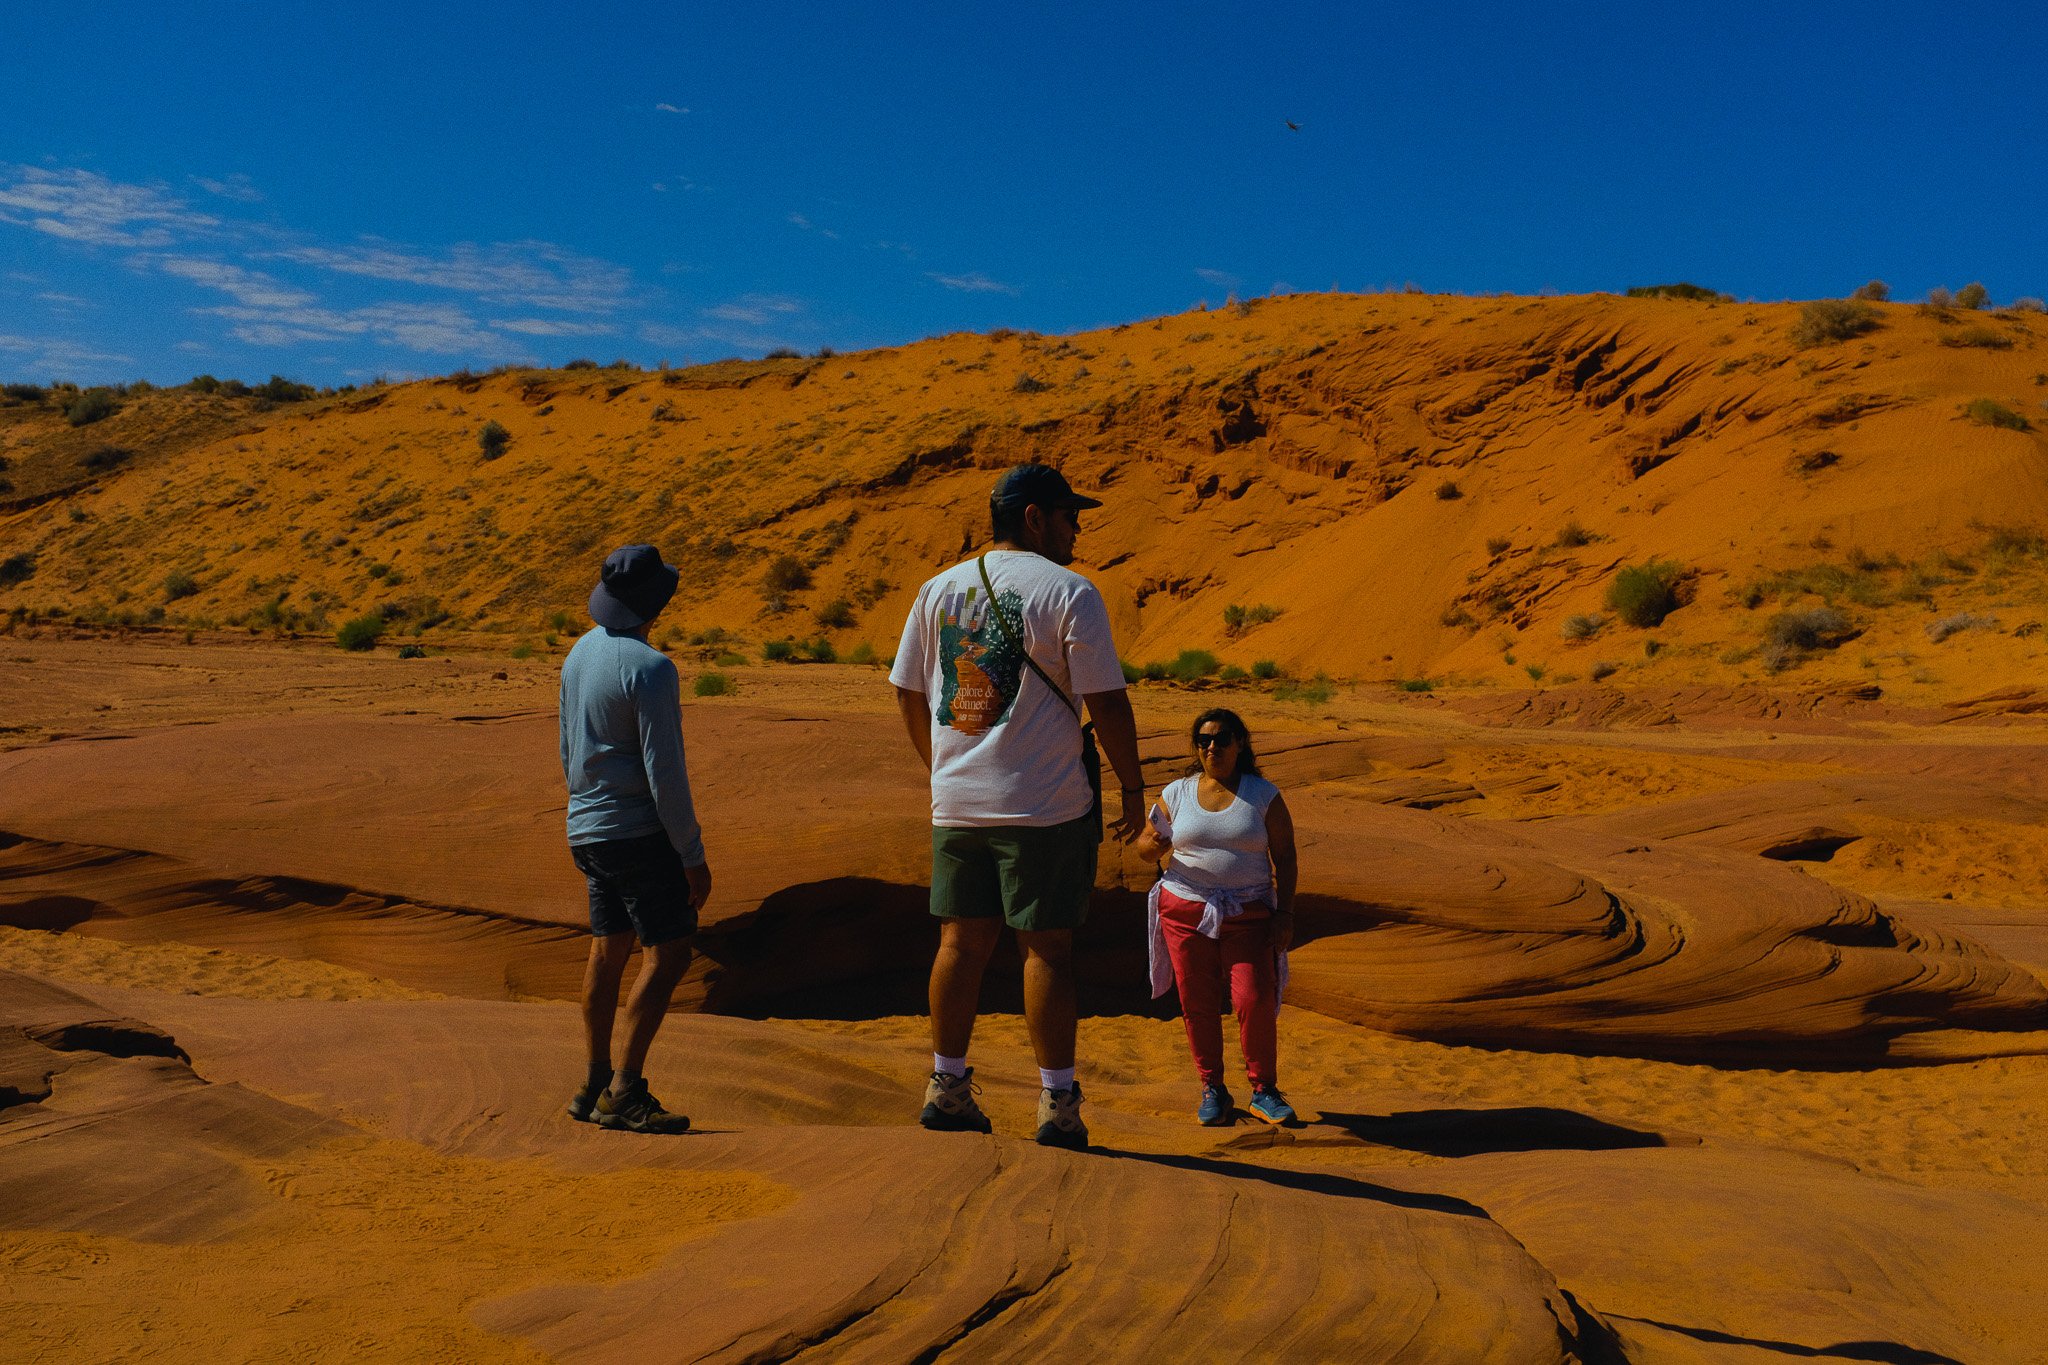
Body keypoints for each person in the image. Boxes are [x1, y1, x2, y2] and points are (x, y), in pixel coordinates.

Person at [889, 462, 1146, 1150]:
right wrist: (1132, 784)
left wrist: (940, 768)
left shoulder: (936, 588)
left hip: (959, 803)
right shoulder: (1070, 592)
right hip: (1044, 805)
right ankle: (1057, 1104)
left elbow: (908, 690)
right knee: (1050, 949)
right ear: (1033, 517)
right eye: (1068, 514)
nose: (1077, 526)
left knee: (959, 943)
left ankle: (946, 1088)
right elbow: (1107, 701)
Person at [559, 543, 713, 1135]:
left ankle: (595, 1081)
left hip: (588, 829)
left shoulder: (579, 655)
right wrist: (692, 856)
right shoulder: (650, 669)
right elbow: (664, 773)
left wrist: (586, 808)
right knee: (669, 951)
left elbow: (568, 747)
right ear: (657, 602)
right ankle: (625, 1090)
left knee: (608, 948)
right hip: (636, 832)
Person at [1134, 708, 1298, 1126]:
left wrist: (1285, 913)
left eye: (1222, 739)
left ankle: (1263, 1090)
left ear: (1240, 744)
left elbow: (1285, 856)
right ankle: (1213, 1088)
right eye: (1204, 740)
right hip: (1185, 909)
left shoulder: (1263, 795)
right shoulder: (1176, 793)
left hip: (1248, 913)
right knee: (1197, 1002)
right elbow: (1145, 847)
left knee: (1253, 999)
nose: (1212, 747)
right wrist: (1152, 846)